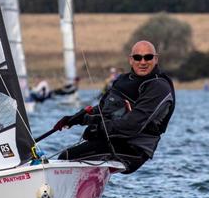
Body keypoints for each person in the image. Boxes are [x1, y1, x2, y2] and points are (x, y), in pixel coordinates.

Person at [53, 40, 175, 174]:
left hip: (135, 149)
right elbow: (104, 109)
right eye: (137, 57)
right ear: (131, 60)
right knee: (66, 156)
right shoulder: (123, 80)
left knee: (67, 158)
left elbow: (133, 124)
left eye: (148, 57)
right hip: (113, 141)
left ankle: (66, 192)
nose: (143, 62)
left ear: (156, 59)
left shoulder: (159, 87)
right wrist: (77, 119)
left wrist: (99, 130)